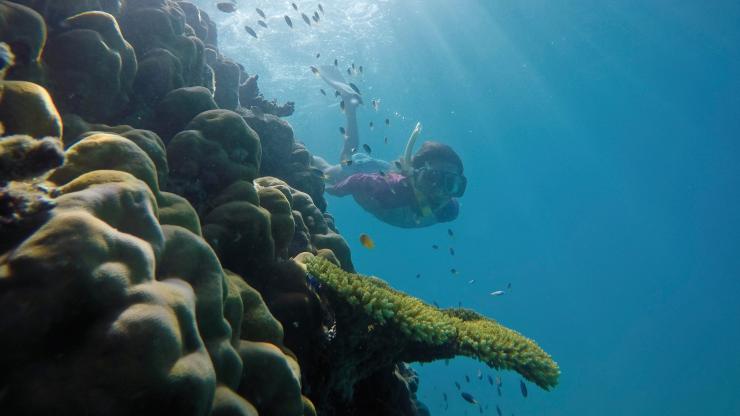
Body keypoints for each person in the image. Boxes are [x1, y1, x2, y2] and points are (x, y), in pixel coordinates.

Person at [312, 66, 466, 228]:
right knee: (337, 167)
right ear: (415, 175)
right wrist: (338, 190)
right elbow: (358, 180)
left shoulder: (449, 209)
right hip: (366, 174)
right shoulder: (392, 192)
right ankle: (350, 107)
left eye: (451, 183)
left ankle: (316, 156)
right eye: (432, 178)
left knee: (331, 166)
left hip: (384, 170)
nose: (440, 191)